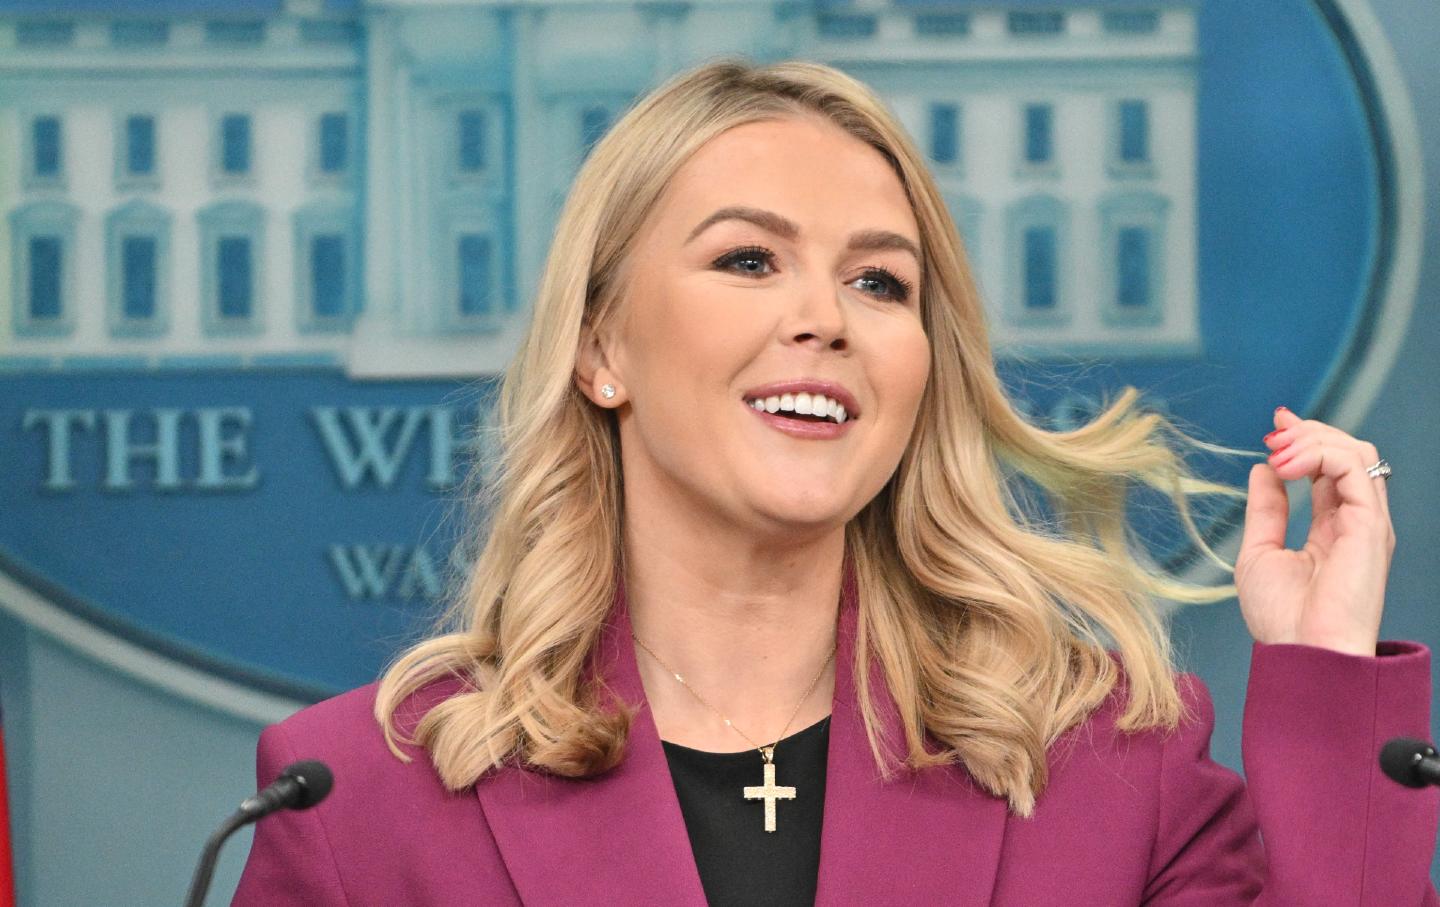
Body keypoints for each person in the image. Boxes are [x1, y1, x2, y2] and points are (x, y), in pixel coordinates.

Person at [233, 57, 1437, 905]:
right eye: (749, 259)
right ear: (602, 349)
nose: (824, 318)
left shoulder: (1112, 758)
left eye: (879, 283)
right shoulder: (363, 799)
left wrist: (1327, 677)